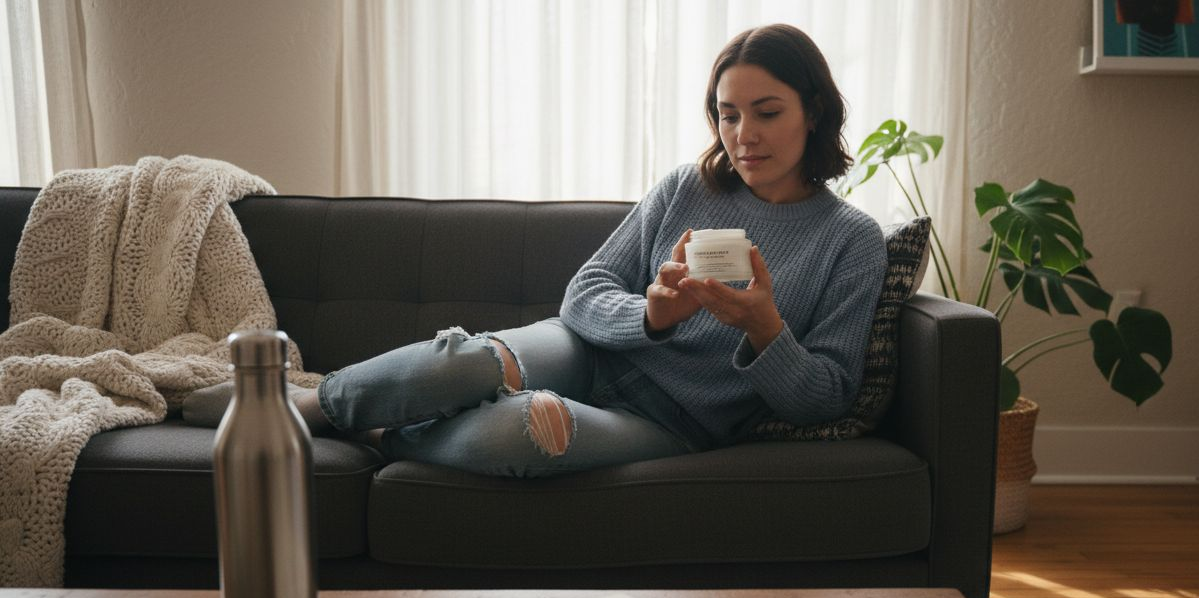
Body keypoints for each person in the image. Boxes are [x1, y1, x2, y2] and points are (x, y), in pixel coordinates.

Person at [188, 23, 887, 478]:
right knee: (463, 359)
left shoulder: (849, 241)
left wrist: (764, 329)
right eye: (728, 115)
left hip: (673, 423)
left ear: (814, 111)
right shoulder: (686, 188)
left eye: (767, 113)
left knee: (530, 433)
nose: (743, 136)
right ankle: (298, 404)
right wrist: (651, 315)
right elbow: (583, 295)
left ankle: (380, 431)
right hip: (589, 352)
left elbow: (825, 398)